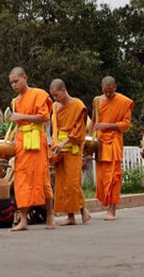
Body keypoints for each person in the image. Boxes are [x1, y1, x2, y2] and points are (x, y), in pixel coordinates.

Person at [8, 67, 55, 231]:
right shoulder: (15, 101)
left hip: (37, 140)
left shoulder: (39, 94)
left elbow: (44, 117)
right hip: (22, 142)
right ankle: (23, 220)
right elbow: (16, 126)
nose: (14, 85)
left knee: (43, 179)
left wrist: (22, 117)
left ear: (25, 78)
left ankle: (50, 215)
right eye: (11, 83)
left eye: (16, 81)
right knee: (21, 180)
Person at [49, 79, 91, 225]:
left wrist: (64, 142)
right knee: (61, 184)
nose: (55, 98)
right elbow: (54, 128)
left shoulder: (78, 105)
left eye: (56, 95)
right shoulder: (55, 106)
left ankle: (82, 210)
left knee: (73, 182)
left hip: (72, 146)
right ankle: (71, 216)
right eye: (53, 96)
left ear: (63, 90)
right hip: (59, 149)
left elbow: (79, 129)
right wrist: (55, 143)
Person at [91, 76, 133, 221]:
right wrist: (90, 140)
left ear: (115, 87)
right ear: (102, 88)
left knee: (114, 175)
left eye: (111, 92)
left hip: (114, 141)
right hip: (100, 142)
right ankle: (106, 203)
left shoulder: (123, 101)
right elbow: (94, 121)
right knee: (102, 176)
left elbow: (126, 124)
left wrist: (108, 125)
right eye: (106, 92)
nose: (108, 95)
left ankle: (112, 209)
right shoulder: (97, 100)